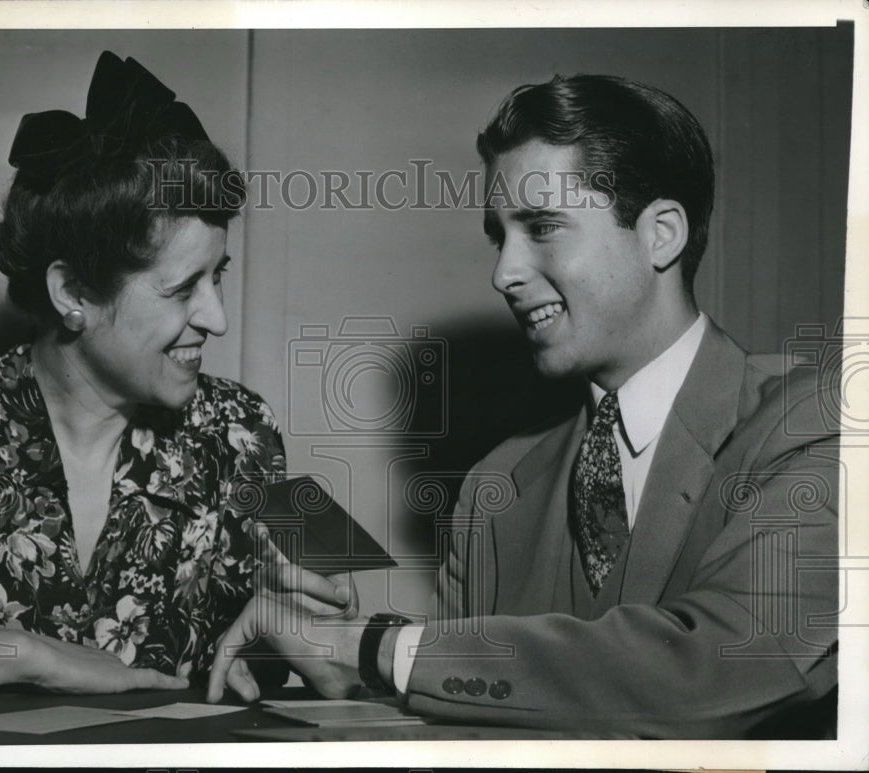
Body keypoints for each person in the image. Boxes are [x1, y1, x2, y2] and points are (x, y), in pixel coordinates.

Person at [206, 74, 840, 739]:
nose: (503, 272)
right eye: (498, 235)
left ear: (662, 235)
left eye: (541, 227)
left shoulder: (814, 432)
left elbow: (716, 668)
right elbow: (451, 722)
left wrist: (375, 647)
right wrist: (342, 654)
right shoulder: (492, 489)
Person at [0, 51, 347, 702]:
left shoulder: (244, 432)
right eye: (182, 286)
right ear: (73, 289)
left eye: (217, 276)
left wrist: (303, 624)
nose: (216, 318)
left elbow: (352, 649)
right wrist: (30, 654)